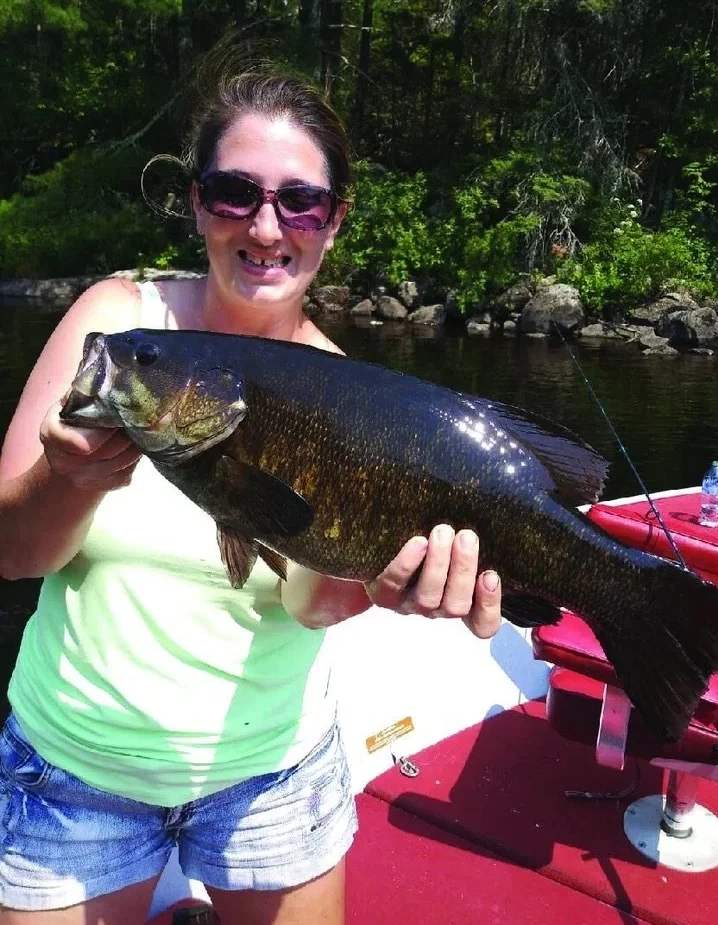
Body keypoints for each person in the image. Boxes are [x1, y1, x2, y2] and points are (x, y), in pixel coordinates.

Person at [0, 58, 502, 925]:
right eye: (236, 192)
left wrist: (383, 584)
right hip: (74, 774)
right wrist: (65, 479)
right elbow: (14, 552)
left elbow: (309, 600)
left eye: (300, 201)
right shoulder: (118, 328)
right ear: (199, 204)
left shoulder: (349, 396)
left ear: (333, 222)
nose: (267, 226)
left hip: (270, 775)